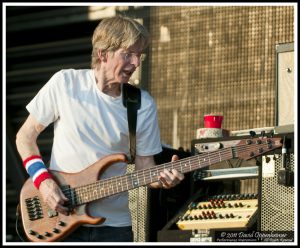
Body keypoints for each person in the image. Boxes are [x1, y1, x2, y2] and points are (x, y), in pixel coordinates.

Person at [15, 15, 184, 242]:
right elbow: (25, 137)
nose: (136, 63)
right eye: (128, 54)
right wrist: (43, 182)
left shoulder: (142, 104)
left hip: (115, 227)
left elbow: (146, 167)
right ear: (103, 54)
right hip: (61, 217)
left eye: (139, 55)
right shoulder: (65, 83)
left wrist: (162, 179)